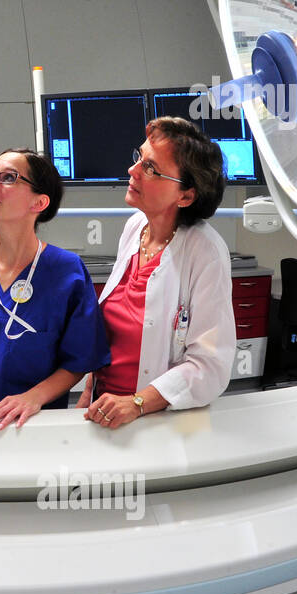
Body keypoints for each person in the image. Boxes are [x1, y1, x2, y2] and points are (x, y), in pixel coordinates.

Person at [0, 148, 111, 430]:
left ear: (39, 202)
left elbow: (79, 360)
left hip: (32, 429)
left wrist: (32, 398)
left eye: (8, 177)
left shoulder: (66, 271)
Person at [78, 116, 236, 429]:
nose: (132, 170)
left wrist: (138, 403)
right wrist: (89, 388)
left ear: (186, 196)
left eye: (150, 168)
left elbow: (210, 366)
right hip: (104, 409)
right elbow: (115, 332)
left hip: (152, 419)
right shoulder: (135, 227)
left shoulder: (205, 252)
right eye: (139, 158)